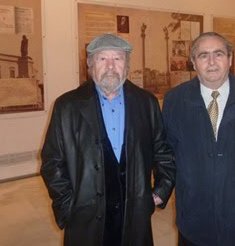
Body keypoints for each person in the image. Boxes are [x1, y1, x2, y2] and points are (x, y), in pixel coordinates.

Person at [41, 33, 176, 246]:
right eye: (103, 58)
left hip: (134, 214)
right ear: (90, 65)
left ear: (127, 66)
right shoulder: (67, 106)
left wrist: (161, 190)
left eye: (118, 58)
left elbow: (163, 150)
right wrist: (67, 205)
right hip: (85, 215)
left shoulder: (146, 103)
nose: (111, 66)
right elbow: (52, 162)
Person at [162, 32, 235, 246]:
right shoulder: (175, 100)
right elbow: (170, 146)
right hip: (195, 216)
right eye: (203, 55)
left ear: (230, 59)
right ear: (194, 62)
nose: (212, 62)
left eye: (218, 54)